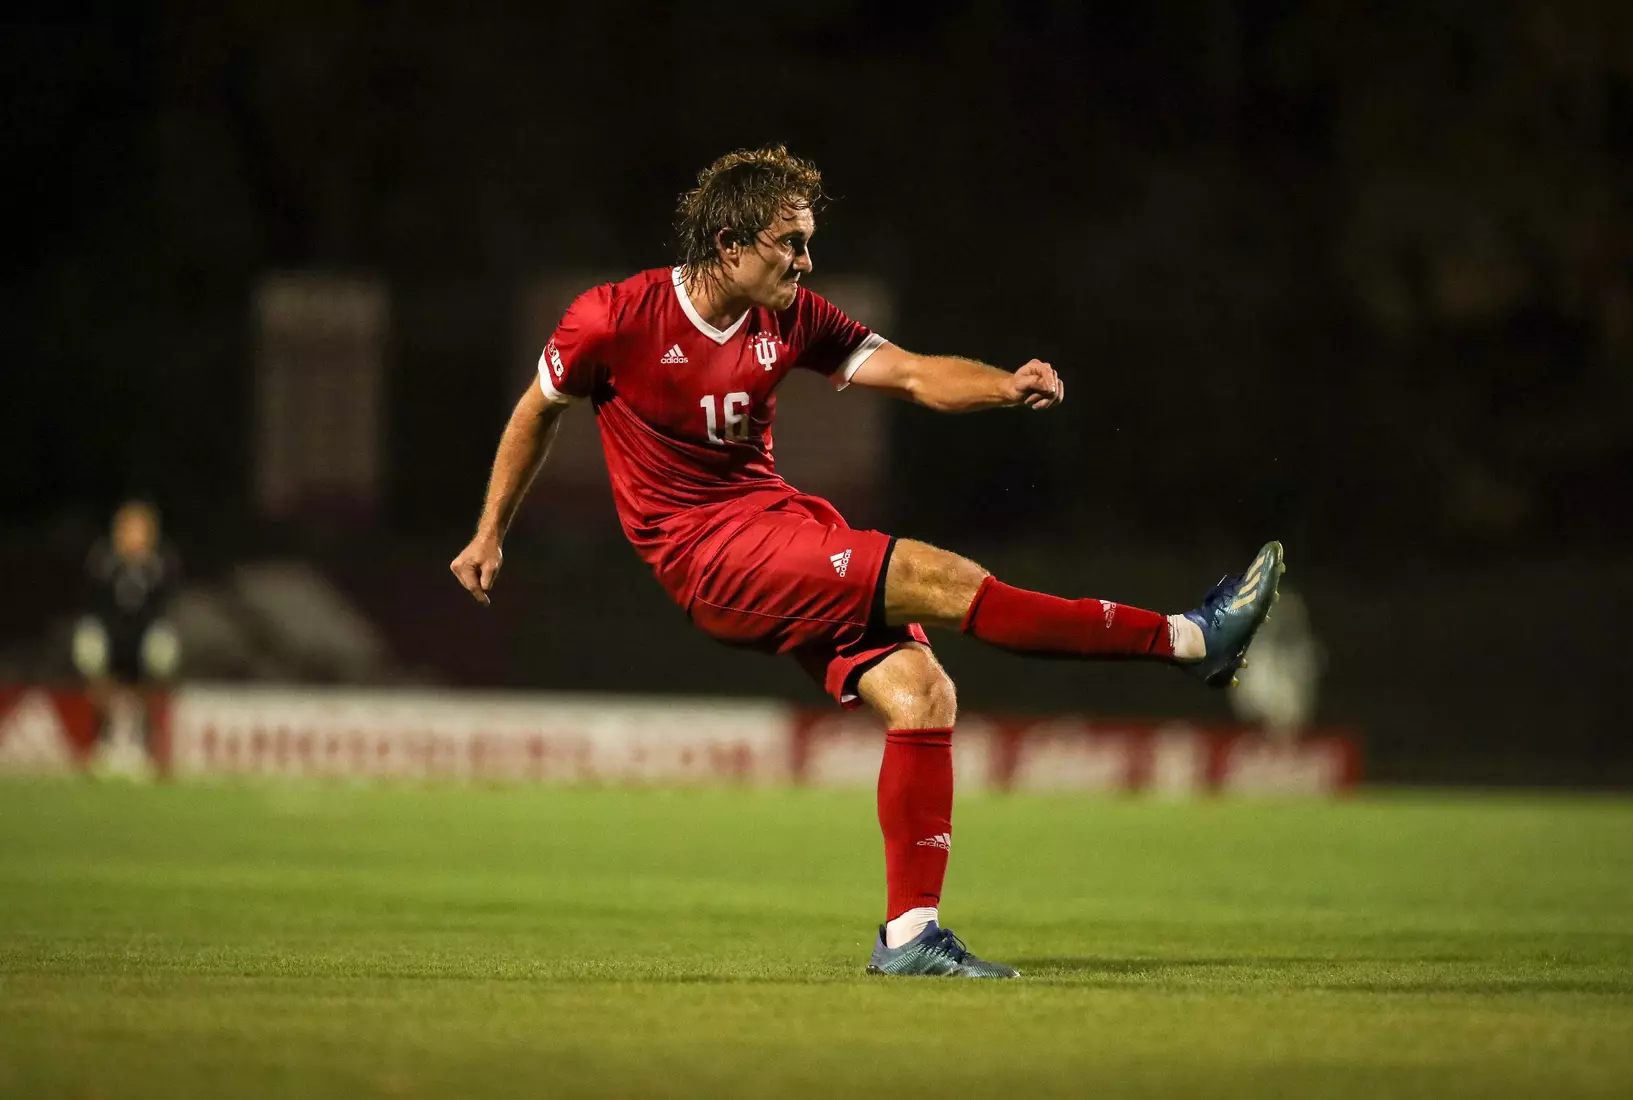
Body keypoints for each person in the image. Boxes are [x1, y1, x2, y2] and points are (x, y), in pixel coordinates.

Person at [450, 145, 1284, 979]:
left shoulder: (795, 317)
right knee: (941, 577)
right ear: (732, 245)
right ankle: (1188, 640)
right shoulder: (614, 316)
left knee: (923, 694)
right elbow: (538, 411)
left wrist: (1003, 385)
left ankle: (909, 936)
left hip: (778, 523)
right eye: (793, 243)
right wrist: (491, 531)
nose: (809, 261)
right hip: (706, 554)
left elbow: (915, 375)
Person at [73, 500, 180, 777]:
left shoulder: (160, 563)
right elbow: (91, 603)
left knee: (152, 671)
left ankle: (144, 745)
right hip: (111, 634)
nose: (134, 534)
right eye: (128, 528)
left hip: (144, 636)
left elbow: (165, 607)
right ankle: (104, 742)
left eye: (139, 529)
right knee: (97, 671)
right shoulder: (103, 560)